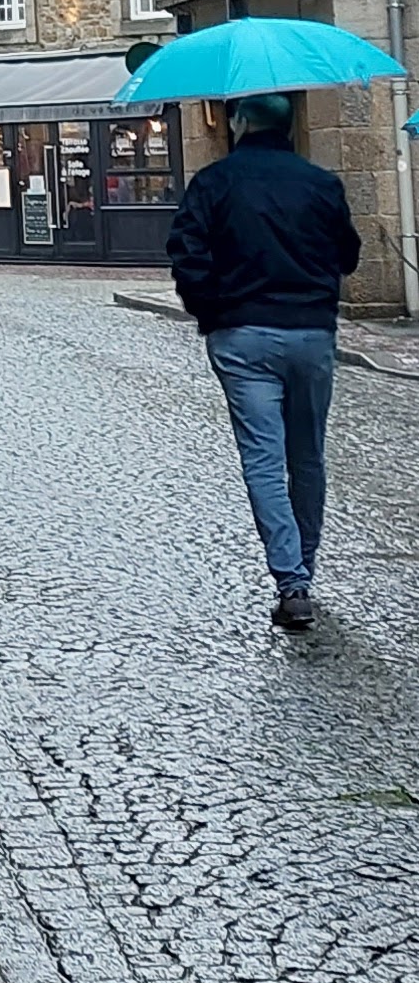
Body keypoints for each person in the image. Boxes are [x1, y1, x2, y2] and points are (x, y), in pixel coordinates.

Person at [167, 94, 361, 630]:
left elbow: (186, 253)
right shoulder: (320, 183)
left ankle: (291, 582)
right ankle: (304, 571)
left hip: (243, 335)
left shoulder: (214, 183)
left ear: (241, 123)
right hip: (310, 333)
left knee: (263, 460)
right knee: (307, 456)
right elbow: (348, 255)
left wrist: (211, 312)